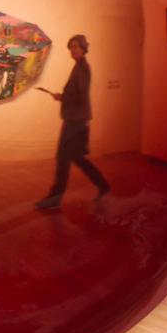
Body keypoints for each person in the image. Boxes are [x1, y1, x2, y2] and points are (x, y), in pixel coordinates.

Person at [36, 34, 110, 209]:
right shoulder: (79, 67)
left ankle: (55, 198)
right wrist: (63, 97)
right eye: (71, 47)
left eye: (76, 46)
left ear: (84, 48)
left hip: (75, 123)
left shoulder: (83, 68)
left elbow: (81, 96)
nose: (73, 50)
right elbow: (78, 95)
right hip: (77, 121)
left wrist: (62, 97)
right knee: (77, 158)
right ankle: (103, 185)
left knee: (63, 159)